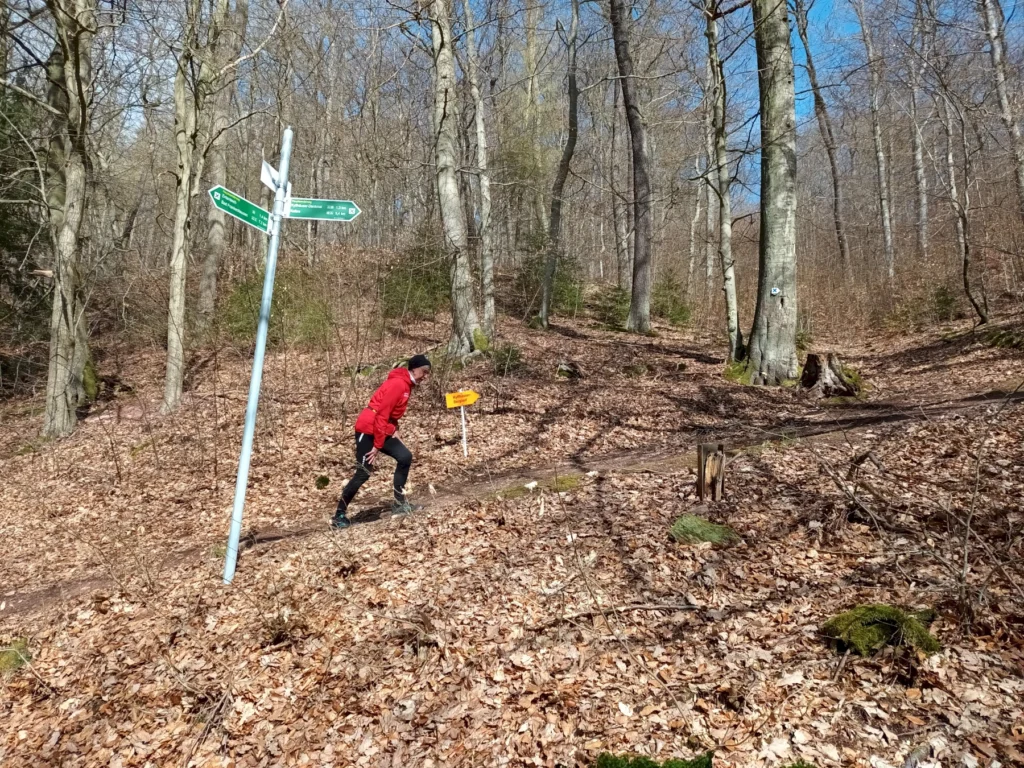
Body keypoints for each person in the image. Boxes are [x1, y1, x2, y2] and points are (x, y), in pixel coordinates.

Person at [331, 354, 431, 529]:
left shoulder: (406, 385)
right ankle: (339, 515)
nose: (426, 376)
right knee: (363, 473)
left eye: (428, 373)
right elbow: (382, 414)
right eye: (424, 372)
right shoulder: (398, 384)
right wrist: (377, 446)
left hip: (381, 428)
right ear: (414, 369)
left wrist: (395, 428)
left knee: (404, 457)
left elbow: (391, 413)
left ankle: (399, 504)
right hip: (368, 429)